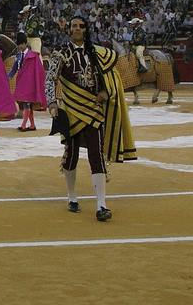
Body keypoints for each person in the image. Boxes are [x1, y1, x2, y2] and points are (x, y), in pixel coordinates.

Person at [46, 16, 137, 222]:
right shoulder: (61, 52)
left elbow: (109, 77)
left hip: (93, 110)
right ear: (68, 29)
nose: (77, 29)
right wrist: (51, 102)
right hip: (70, 110)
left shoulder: (96, 52)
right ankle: (72, 197)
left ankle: (101, 204)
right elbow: (50, 78)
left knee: (96, 155)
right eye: (74, 26)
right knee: (71, 155)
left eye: (81, 26)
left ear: (86, 29)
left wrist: (105, 92)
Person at [12, 7, 47, 132]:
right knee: (28, 104)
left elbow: (31, 31)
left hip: (34, 40)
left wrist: (23, 35)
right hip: (28, 40)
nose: (23, 15)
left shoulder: (33, 19)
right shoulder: (27, 21)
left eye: (24, 13)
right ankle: (32, 125)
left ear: (29, 12)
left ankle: (38, 72)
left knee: (35, 55)